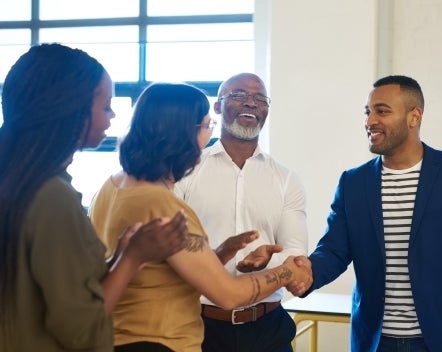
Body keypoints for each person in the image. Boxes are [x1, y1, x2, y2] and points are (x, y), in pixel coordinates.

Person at [287, 75, 442, 352]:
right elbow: (333, 251)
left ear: (414, 116)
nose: (370, 121)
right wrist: (307, 272)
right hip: (375, 342)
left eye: (382, 111)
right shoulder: (353, 183)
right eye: (368, 112)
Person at [89, 82, 311, 352]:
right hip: (159, 341)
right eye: (208, 126)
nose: (210, 136)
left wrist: (219, 253)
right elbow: (228, 294)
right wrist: (289, 270)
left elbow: (160, 273)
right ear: (184, 133)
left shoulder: (111, 186)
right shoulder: (164, 205)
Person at [0, 44, 188, 352]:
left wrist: (117, 258)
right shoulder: (51, 198)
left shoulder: (20, 181)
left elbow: (47, 289)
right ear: (72, 109)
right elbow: (81, 329)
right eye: (106, 106)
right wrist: (133, 257)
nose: (113, 116)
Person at [174, 72, 308, 352]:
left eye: (260, 98)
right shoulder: (185, 170)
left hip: (269, 330)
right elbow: (175, 252)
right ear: (218, 106)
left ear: (266, 110)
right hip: (200, 329)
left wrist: (266, 263)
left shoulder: (285, 179)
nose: (250, 103)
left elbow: (296, 255)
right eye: (238, 95)